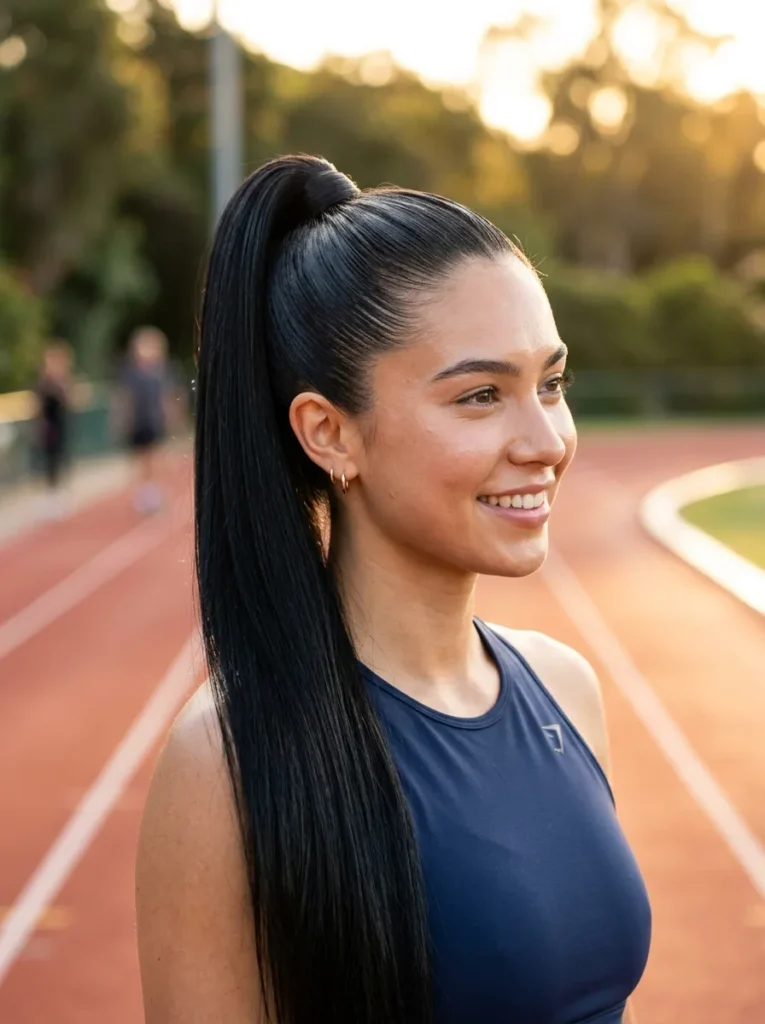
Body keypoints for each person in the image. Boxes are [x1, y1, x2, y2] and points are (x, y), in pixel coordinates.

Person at [136, 156, 652, 1024]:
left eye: (551, 384)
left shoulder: (565, 688)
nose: (547, 440)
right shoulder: (227, 766)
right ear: (329, 433)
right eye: (482, 395)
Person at [113, 326, 179, 514]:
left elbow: (169, 397)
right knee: (140, 458)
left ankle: (153, 490)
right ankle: (143, 492)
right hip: (137, 421)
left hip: (154, 420)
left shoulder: (163, 372)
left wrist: (171, 417)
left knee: (155, 456)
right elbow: (124, 398)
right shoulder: (130, 373)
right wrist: (121, 420)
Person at [33, 341, 73, 521]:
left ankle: (59, 493)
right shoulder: (43, 384)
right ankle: (51, 495)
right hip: (49, 427)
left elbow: (69, 402)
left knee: (61, 459)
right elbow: (37, 407)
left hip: (61, 425)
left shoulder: (62, 383)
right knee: (50, 462)